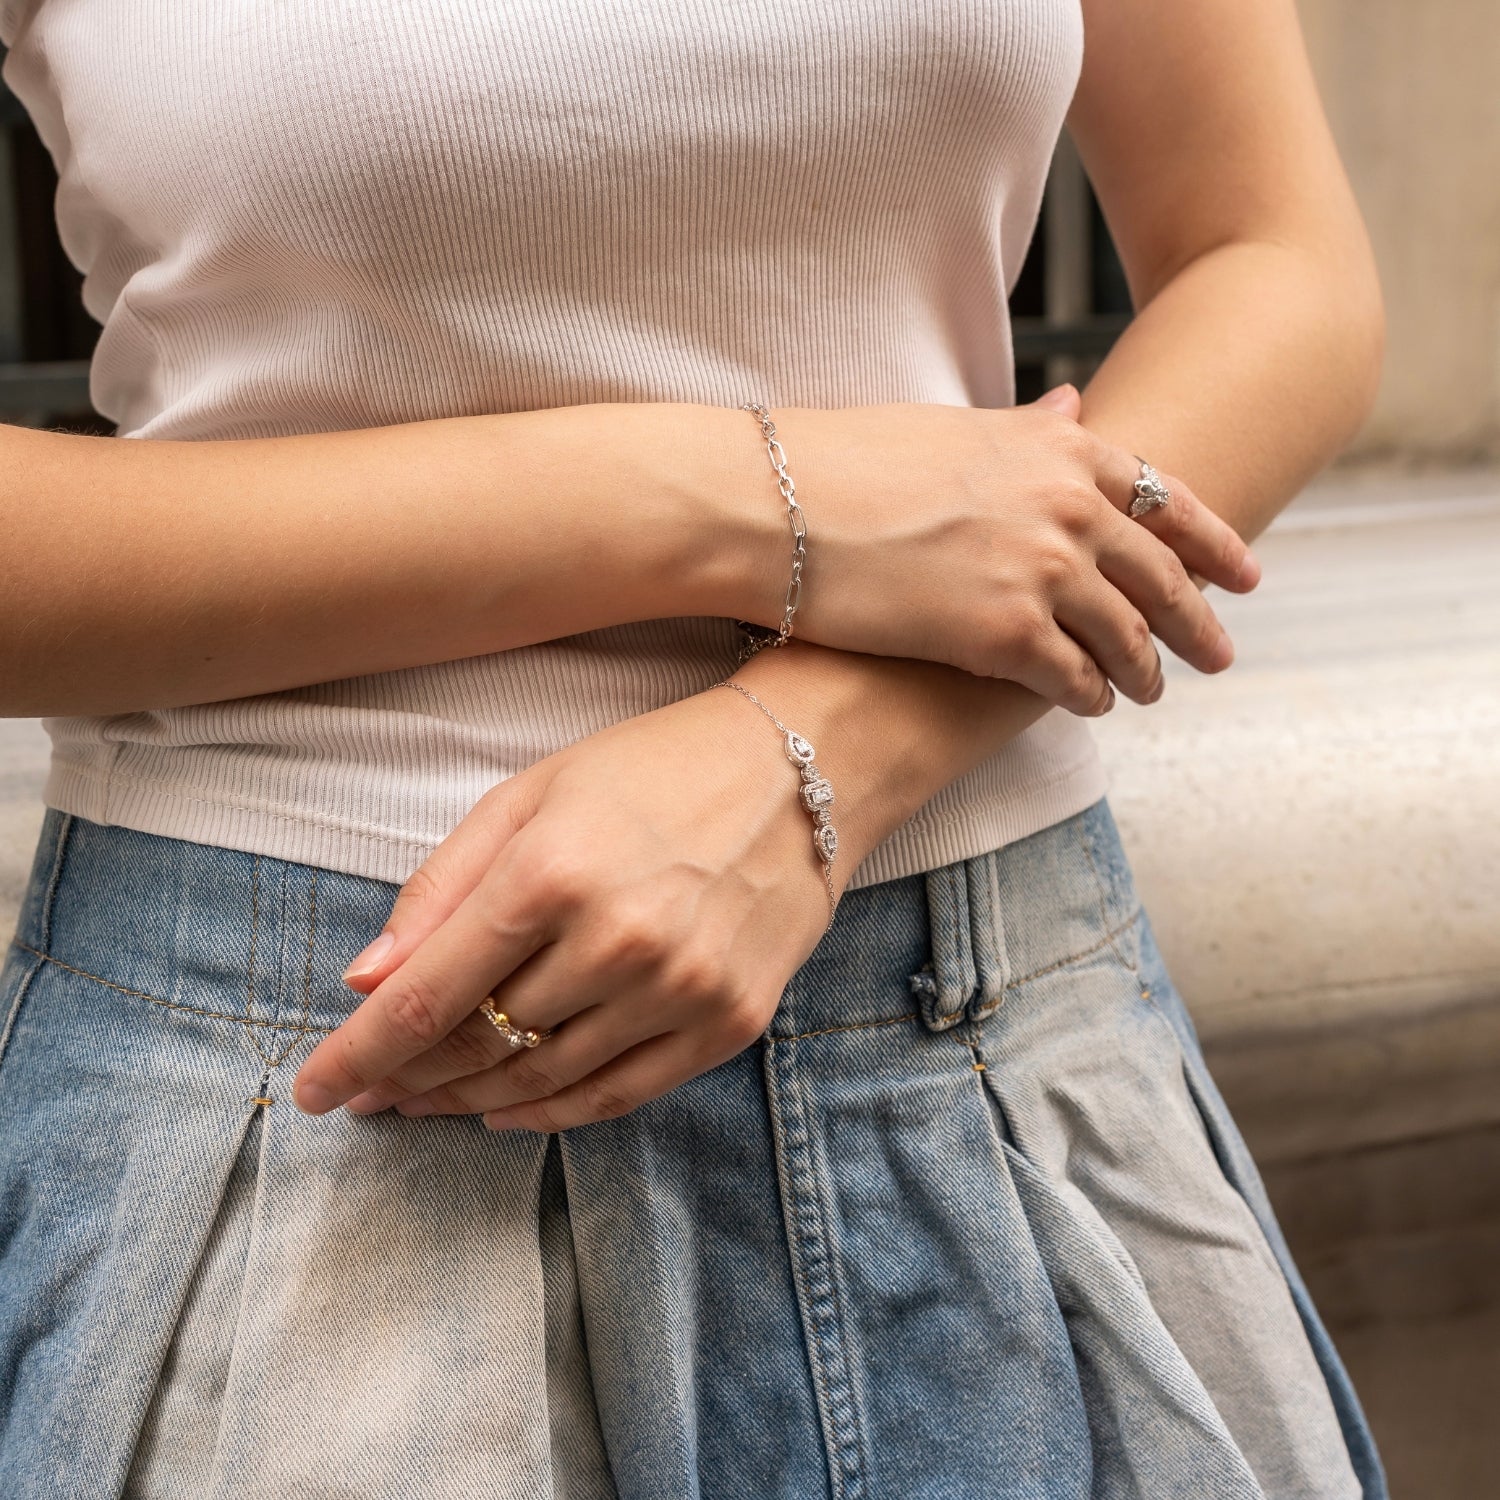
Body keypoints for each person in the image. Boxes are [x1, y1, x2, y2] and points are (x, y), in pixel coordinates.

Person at [0, 0, 1387, 1495]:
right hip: (322, 1097)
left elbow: (1275, 262)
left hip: (1006, 1047)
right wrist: (754, 500)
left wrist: (817, 753)